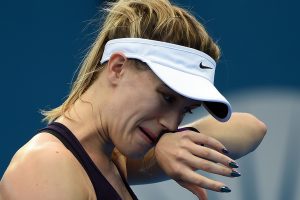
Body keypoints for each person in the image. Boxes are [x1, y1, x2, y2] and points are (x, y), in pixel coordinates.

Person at [0, 0, 267, 199]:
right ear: (118, 67)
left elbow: (252, 129)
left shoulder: (113, 158)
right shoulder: (47, 165)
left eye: (185, 110)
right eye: (166, 97)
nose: (171, 123)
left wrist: (173, 141)